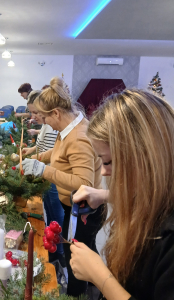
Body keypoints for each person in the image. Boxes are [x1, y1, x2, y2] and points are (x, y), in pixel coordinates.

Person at [69, 89, 174, 300]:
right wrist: (105, 195)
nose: (104, 171)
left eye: (107, 162)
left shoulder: (168, 239)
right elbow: (150, 196)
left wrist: (100, 276)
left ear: (145, 158)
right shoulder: (161, 193)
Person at [20, 77, 104, 297]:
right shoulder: (67, 129)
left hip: (83, 209)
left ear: (56, 113)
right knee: (82, 249)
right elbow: (57, 154)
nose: (43, 122)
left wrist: (43, 170)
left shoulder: (78, 137)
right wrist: (37, 157)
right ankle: (94, 285)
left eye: (45, 116)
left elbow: (84, 184)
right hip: (74, 207)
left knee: (75, 255)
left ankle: (76, 294)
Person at [22, 91, 65, 265]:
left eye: (36, 112)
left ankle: (59, 253)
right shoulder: (47, 125)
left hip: (52, 176)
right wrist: (31, 157)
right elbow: (43, 148)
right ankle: (54, 248)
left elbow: (55, 155)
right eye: (32, 112)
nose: (34, 116)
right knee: (48, 210)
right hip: (46, 173)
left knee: (56, 215)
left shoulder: (54, 126)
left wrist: (40, 167)